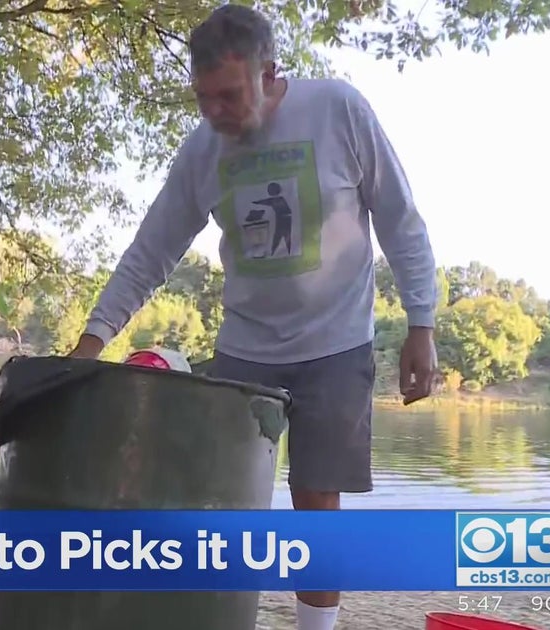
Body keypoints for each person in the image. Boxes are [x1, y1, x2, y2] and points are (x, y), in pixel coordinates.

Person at [66, 5, 439, 630]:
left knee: (315, 506)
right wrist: (91, 340)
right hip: (245, 350)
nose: (216, 112)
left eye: (230, 95)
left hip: (335, 345)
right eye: (203, 97)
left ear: (270, 73)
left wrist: (421, 323)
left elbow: (400, 219)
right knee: (221, 500)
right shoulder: (201, 151)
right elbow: (151, 251)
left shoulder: (338, 110)